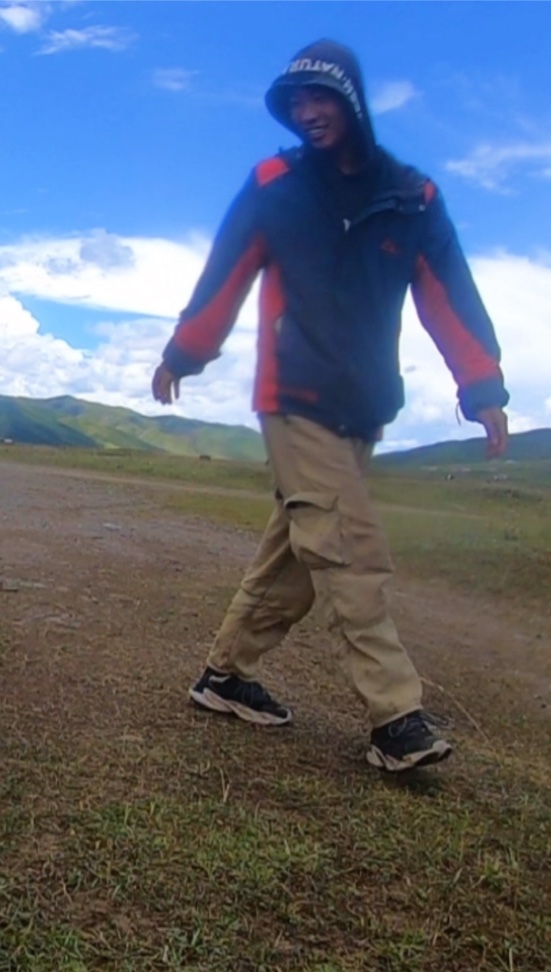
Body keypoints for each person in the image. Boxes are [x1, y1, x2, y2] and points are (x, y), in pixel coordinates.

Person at [152, 39, 510, 772]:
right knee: (346, 546)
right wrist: (184, 352)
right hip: (291, 395)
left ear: (351, 102)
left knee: (296, 549)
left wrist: (482, 390)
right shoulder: (274, 182)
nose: (306, 113)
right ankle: (393, 717)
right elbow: (226, 273)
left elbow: (449, 300)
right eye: (294, 103)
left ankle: (223, 675)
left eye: (319, 99)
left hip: (363, 407)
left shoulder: (412, 199)